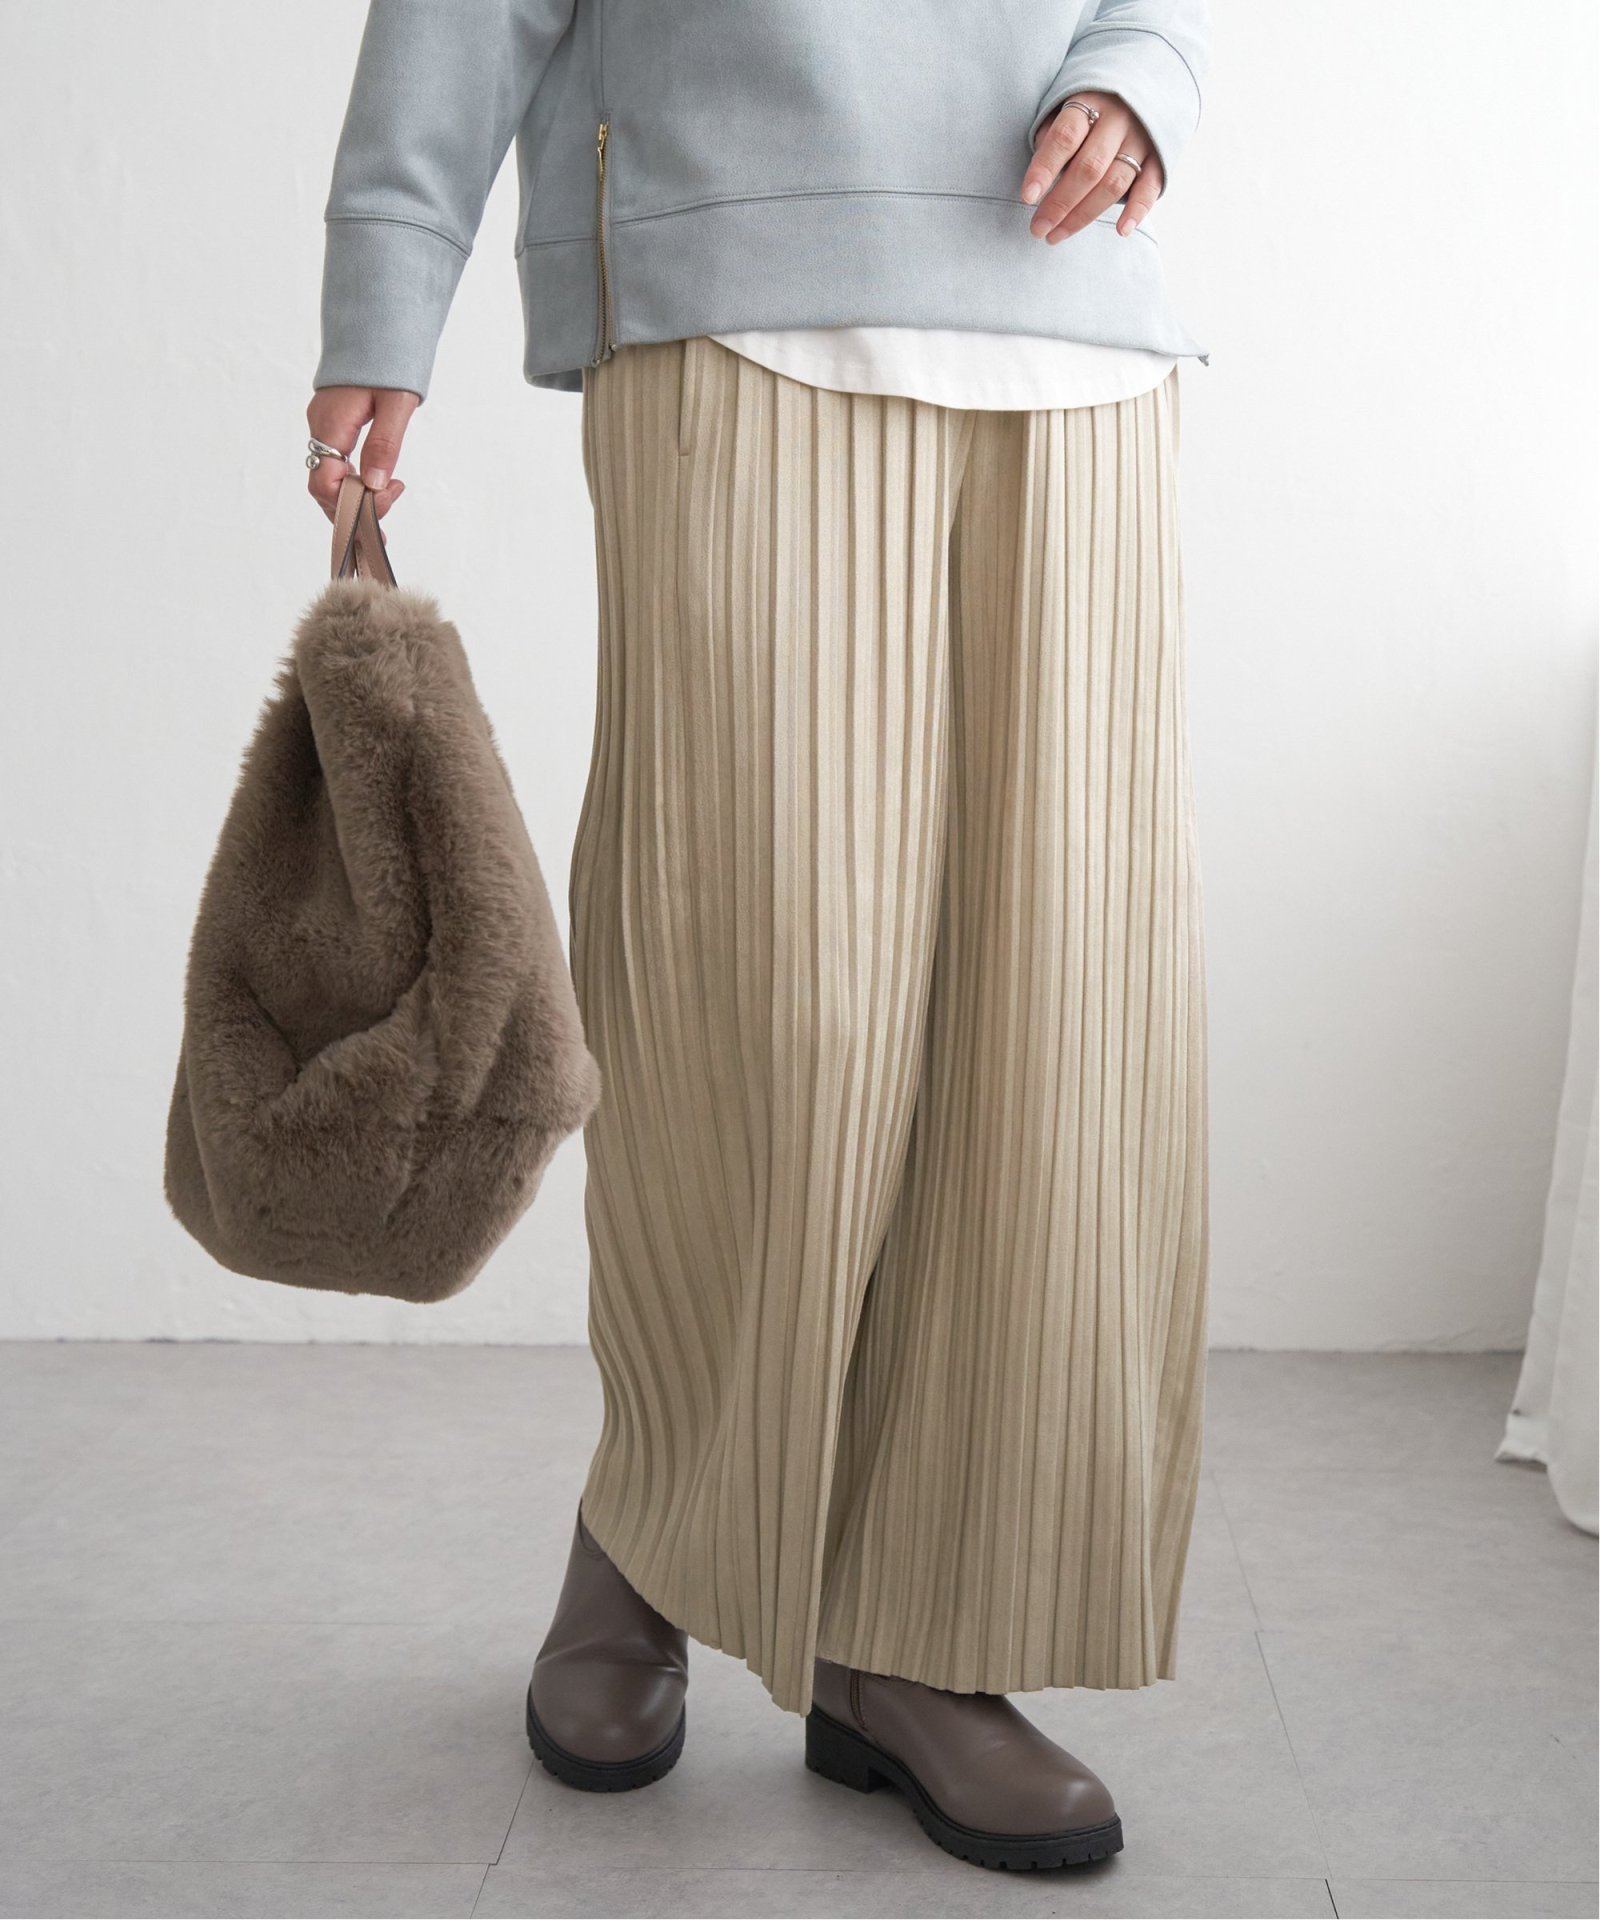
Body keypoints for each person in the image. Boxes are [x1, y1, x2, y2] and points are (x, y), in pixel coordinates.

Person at [307, 0, 1212, 1874]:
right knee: (761, 993)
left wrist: (1148, 67)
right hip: (735, 277)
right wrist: (388, 289)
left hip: (1074, 317)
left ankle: (919, 1637)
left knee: (1050, 1025)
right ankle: (653, 1524)